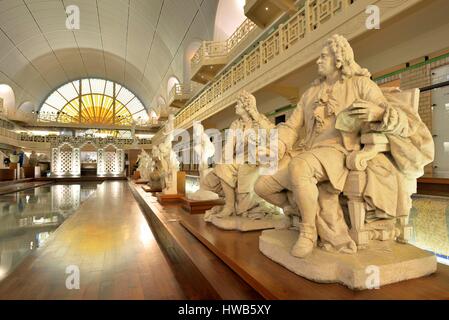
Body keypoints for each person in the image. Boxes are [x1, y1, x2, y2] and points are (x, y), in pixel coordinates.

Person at [254, 35, 434, 258]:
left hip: (338, 152)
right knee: (262, 185)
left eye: (322, 57)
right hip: (308, 151)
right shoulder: (310, 94)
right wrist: (277, 145)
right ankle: (299, 211)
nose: (317, 62)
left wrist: (377, 113)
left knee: (300, 167)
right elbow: (291, 126)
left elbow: (390, 113)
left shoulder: (361, 85)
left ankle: (308, 232)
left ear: (338, 60)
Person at [203, 91, 278, 219]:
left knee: (236, 168)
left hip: (256, 159)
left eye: (238, 104)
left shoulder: (260, 121)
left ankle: (233, 206)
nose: (235, 106)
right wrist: (224, 158)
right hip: (238, 159)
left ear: (246, 106)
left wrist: (256, 116)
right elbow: (229, 145)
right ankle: (230, 206)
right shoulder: (236, 124)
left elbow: (272, 134)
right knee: (221, 167)